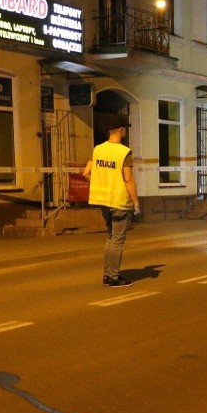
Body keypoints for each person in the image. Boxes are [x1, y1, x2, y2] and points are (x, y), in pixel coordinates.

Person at [82, 120, 140, 287]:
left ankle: (107, 275)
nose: (125, 132)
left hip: (102, 201)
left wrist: (101, 184)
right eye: (125, 130)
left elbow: (86, 173)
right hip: (119, 201)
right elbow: (128, 180)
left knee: (110, 238)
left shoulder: (98, 149)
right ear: (121, 130)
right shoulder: (124, 152)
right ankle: (114, 277)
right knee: (117, 240)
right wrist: (136, 202)